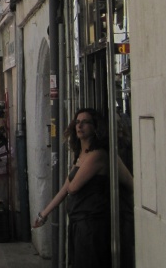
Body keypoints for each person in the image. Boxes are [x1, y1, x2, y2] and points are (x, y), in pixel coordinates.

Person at [33, 108, 134, 268]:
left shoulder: (98, 155)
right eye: (78, 122)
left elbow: (73, 187)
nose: (80, 126)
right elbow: (66, 186)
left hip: (92, 225)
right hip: (79, 223)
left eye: (86, 122)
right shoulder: (82, 154)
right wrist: (44, 214)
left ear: (95, 127)